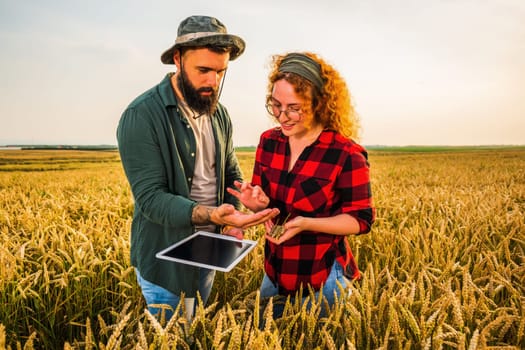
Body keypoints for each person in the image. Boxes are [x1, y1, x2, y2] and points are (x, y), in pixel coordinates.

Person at [116, 15, 279, 320]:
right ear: (177, 60)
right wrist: (209, 215)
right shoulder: (141, 115)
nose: (212, 81)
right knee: (174, 337)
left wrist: (230, 220)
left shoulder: (220, 114)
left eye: (220, 72)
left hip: (208, 251)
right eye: (203, 70)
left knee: (196, 329)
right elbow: (150, 198)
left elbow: (230, 174)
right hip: (165, 263)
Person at [228, 52, 375, 317]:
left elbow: (361, 220)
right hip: (274, 272)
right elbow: (268, 205)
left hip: (324, 277)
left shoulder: (346, 153)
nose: (282, 117)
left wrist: (307, 223)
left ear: (320, 103)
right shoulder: (269, 142)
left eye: (294, 108)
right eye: (275, 105)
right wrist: (257, 204)